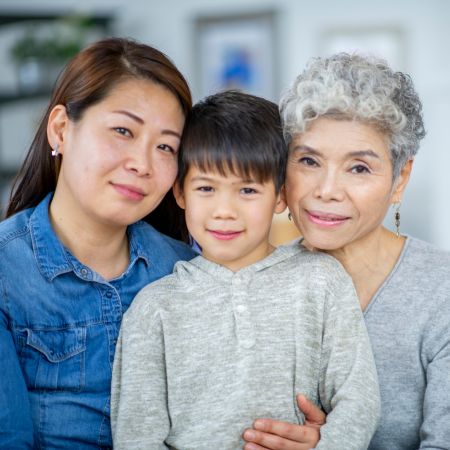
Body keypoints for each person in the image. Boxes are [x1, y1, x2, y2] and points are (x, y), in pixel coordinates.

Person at [110, 90, 380, 450]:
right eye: (206, 188)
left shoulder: (321, 280)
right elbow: (137, 436)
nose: (225, 210)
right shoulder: (154, 308)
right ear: (180, 193)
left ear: (280, 196)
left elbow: (358, 399)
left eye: (248, 190)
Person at [243, 53, 450, 450]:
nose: (326, 190)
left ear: (400, 177)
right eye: (308, 161)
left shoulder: (441, 291)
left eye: (359, 168)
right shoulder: (256, 281)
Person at [0, 37, 197, 449]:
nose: (142, 164)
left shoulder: (189, 271)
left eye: (165, 146)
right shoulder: (6, 271)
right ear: (61, 129)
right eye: (123, 130)